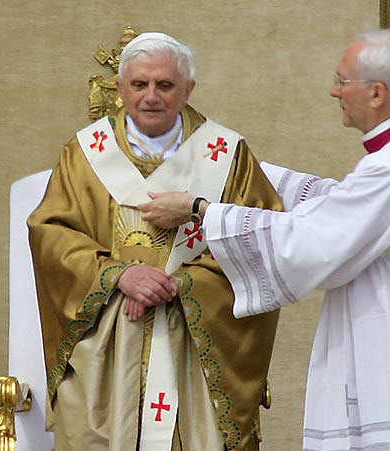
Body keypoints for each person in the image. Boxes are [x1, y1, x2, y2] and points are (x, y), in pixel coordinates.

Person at [138, 29, 390, 451]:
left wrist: (201, 210)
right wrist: (241, 167)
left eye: (342, 80)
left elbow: (311, 243)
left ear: (376, 93)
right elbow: (344, 207)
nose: (333, 91)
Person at [28, 32, 282, 451]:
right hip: (109, 339)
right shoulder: (84, 154)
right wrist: (118, 274)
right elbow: (50, 234)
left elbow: (261, 237)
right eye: (139, 85)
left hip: (194, 342)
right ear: (120, 88)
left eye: (164, 85)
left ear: (188, 89)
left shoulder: (228, 155)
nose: (151, 97)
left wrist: (183, 284)